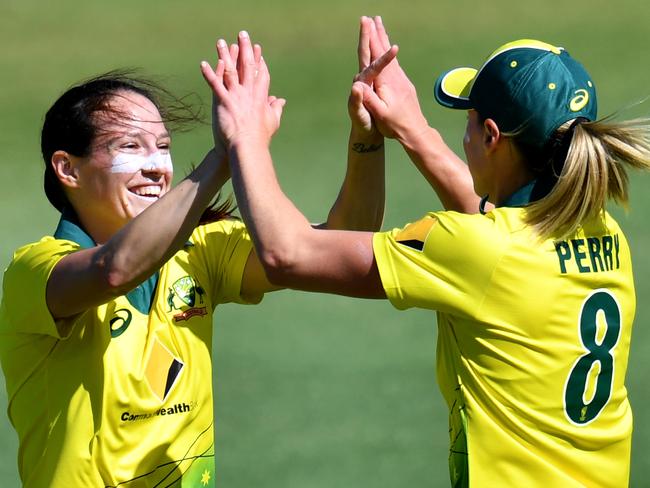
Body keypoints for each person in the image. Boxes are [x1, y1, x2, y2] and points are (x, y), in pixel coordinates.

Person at [202, 17, 650, 487]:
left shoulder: (475, 248)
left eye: (469, 120)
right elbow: (492, 232)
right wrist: (410, 128)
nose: (465, 134)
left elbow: (285, 253)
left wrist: (246, 137)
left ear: (492, 137)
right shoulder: (603, 233)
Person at [0, 39, 388, 487]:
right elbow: (115, 269)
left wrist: (367, 138)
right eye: (131, 146)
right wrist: (226, 155)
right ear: (67, 169)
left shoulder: (201, 250)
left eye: (162, 147)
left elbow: (338, 243)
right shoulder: (36, 271)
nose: (156, 168)